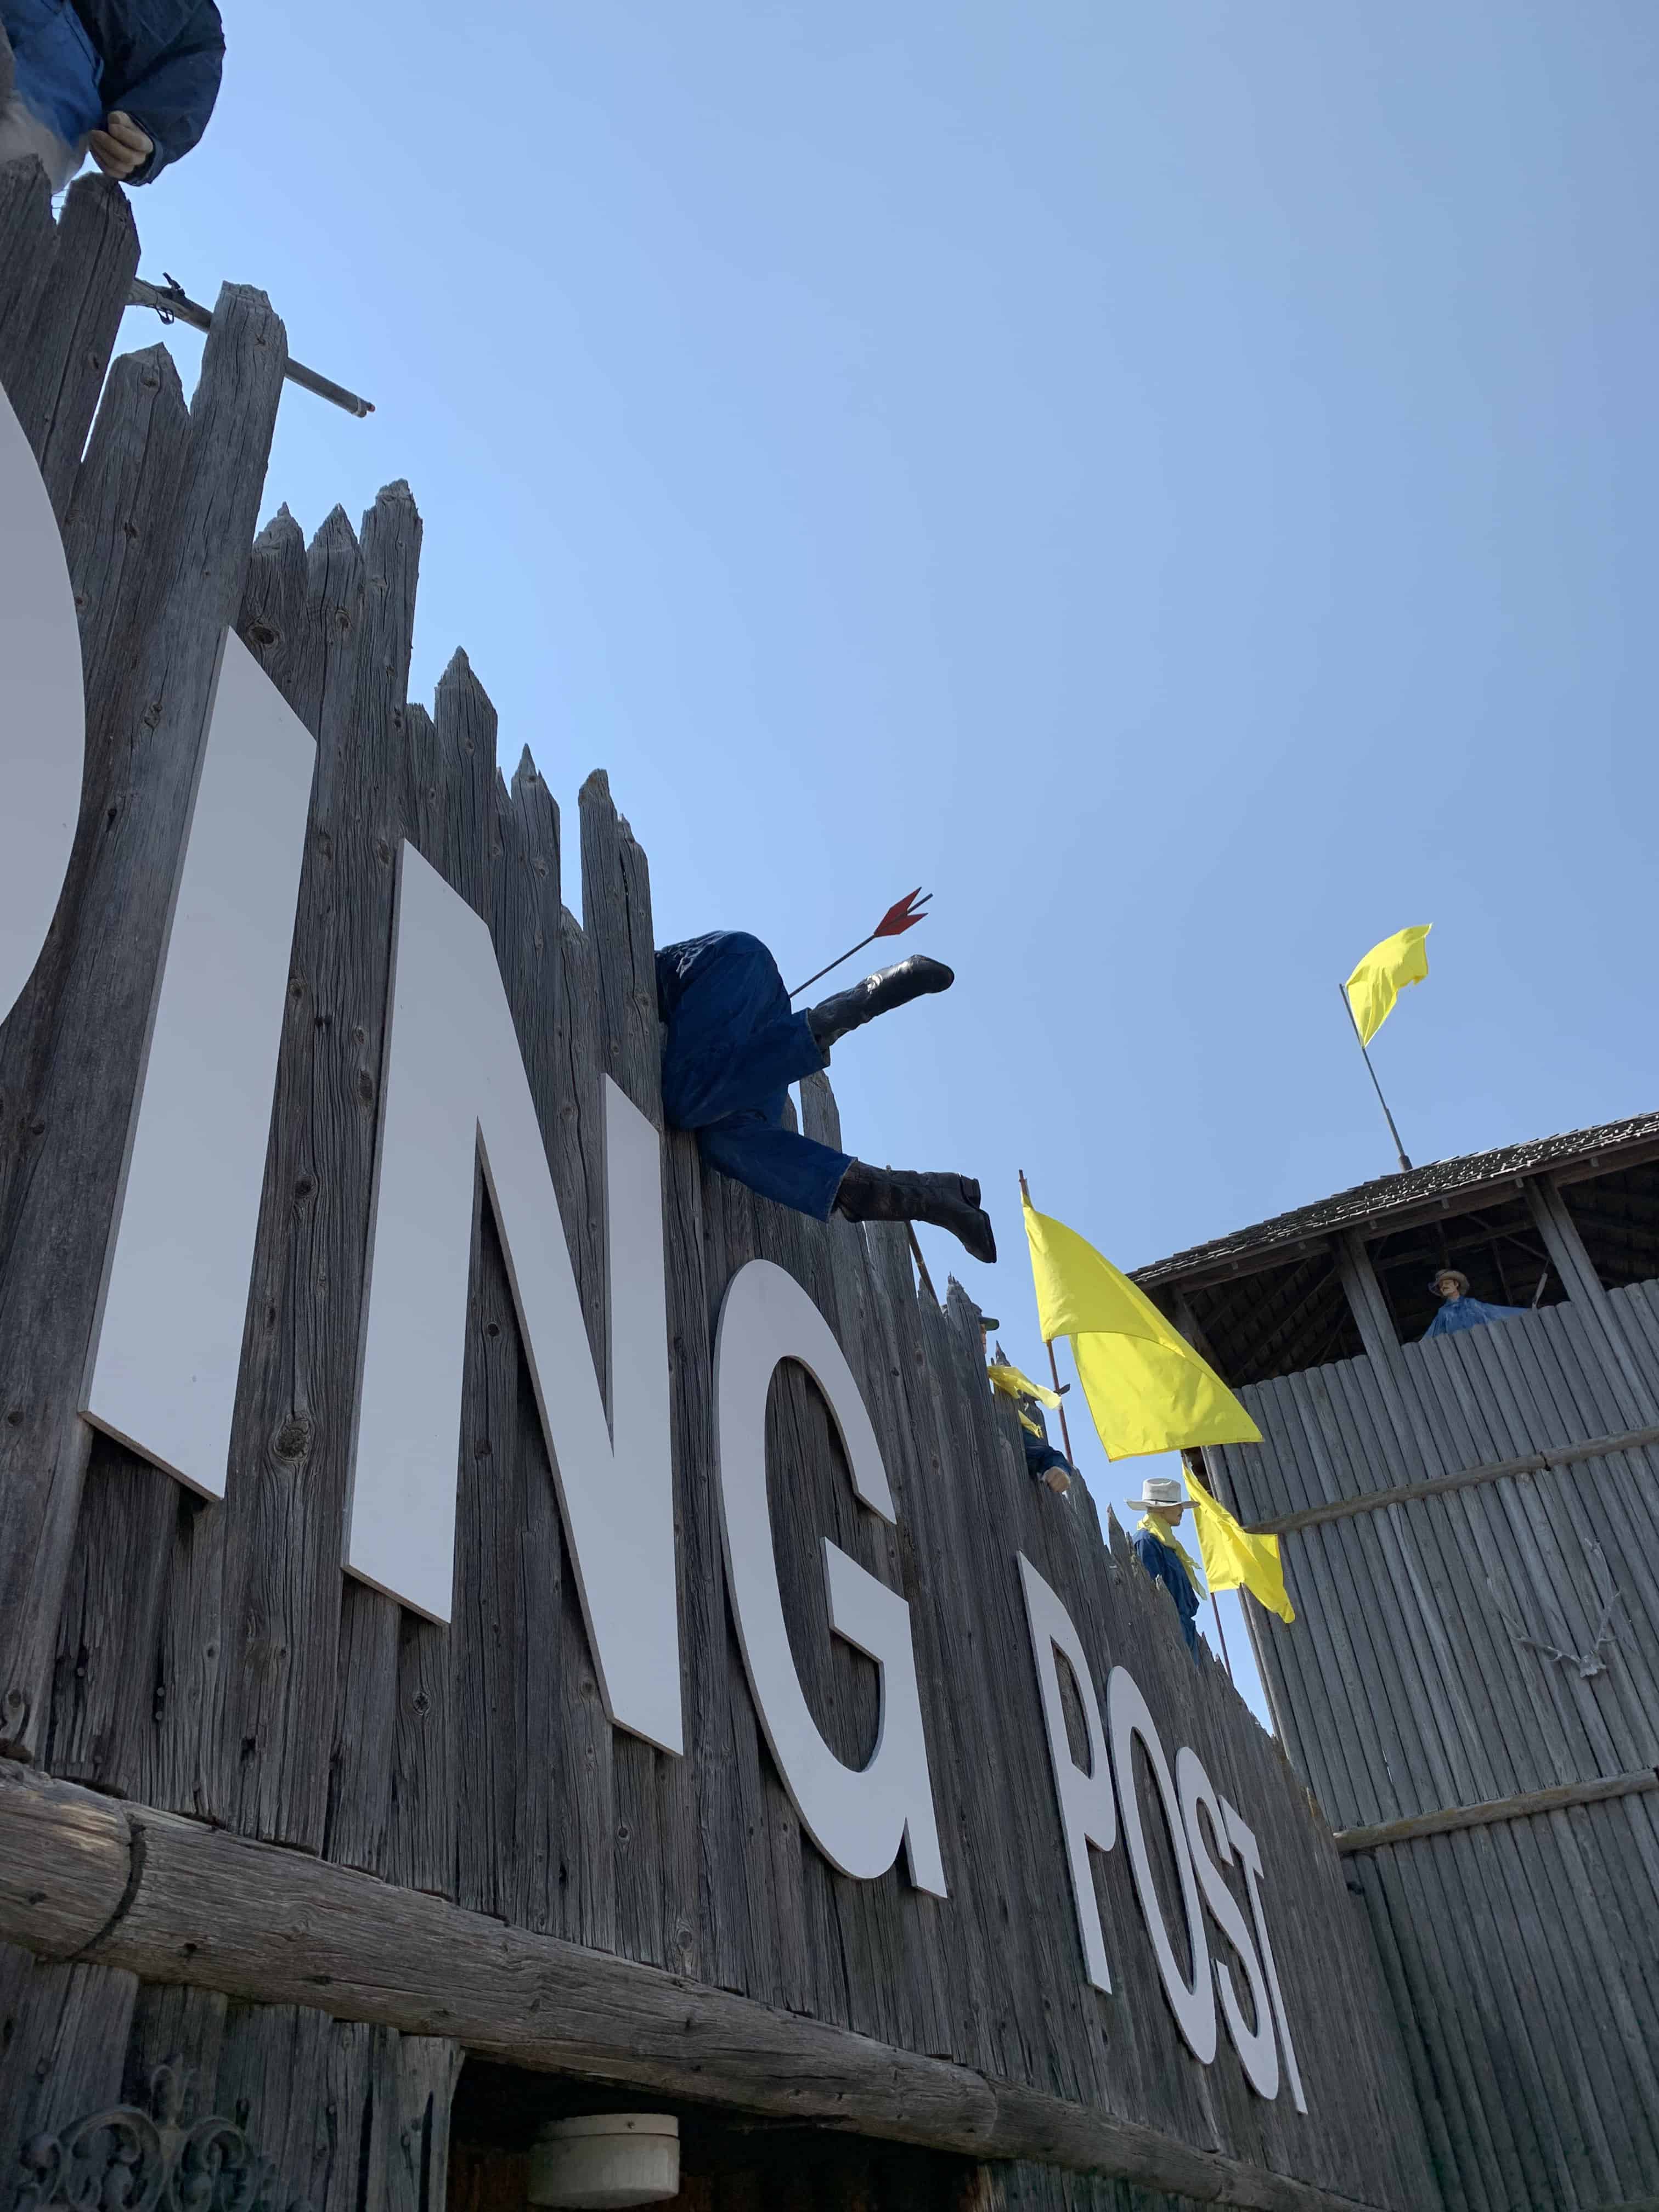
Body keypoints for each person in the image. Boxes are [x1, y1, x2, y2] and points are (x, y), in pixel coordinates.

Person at [657, 930, 995, 1263]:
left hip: (732, 969)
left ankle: (848, 1008)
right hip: (761, 1024)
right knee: (725, 1142)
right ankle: (929, 1195)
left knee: (686, 1097)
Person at [0, 0, 224, 193]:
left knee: (14, 172)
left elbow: (185, 98)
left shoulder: (202, 31)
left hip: (62, 102)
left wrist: (142, 140)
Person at [983, 1328, 1074, 1493]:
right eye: (979, 1329)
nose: (983, 1336)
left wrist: (1058, 1469)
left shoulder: (998, 1412)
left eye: (984, 1331)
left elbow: (1046, 1455)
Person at [1128, 1472, 1201, 1655]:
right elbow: (1150, 1594)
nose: (1181, 1510)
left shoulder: (1171, 1546)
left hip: (1184, 1631)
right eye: (1176, 1505)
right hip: (1167, 1633)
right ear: (1160, 1509)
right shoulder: (1146, 1542)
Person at [1422, 1267, 1527, 1341]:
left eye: (1447, 1283)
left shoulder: (1472, 1304)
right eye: (1441, 1286)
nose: (1443, 1287)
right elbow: (1431, 1336)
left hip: (1483, 1343)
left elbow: (1496, 1312)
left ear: (1456, 1284)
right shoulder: (1444, 1313)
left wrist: (1527, 1312)